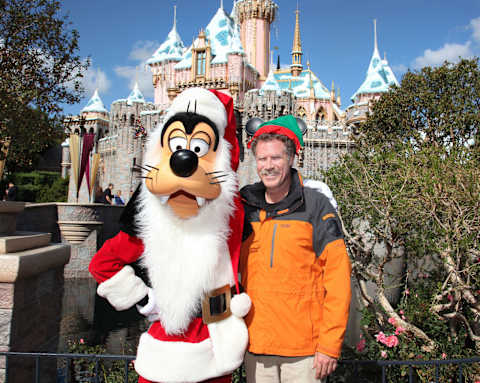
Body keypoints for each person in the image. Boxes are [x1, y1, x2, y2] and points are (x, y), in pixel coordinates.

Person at [239, 115, 352, 383]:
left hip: (304, 353)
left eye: (276, 158)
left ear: (291, 159)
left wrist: (329, 345)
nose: (268, 166)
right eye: (262, 159)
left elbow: (338, 280)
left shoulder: (316, 206)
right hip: (256, 348)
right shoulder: (245, 207)